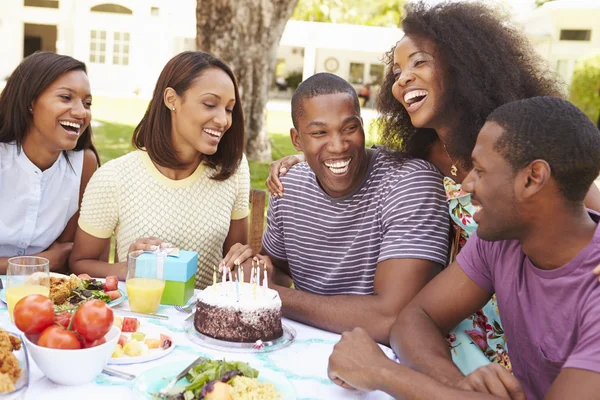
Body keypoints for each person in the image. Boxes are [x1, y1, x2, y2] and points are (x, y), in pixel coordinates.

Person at [266, 1, 600, 372]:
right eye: (397, 71)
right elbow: (354, 157)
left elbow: (581, 206)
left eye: (419, 62)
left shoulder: (519, 145)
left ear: (463, 66)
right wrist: (305, 158)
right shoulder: (421, 155)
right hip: (452, 324)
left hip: (538, 325)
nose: (402, 78)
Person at [328, 96, 600, 399]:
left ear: (532, 178)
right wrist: (456, 386)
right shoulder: (502, 242)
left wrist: (383, 373)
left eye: (481, 171)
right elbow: (416, 318)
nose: (467, 184)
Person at [237, 72, 450, 345]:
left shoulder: (408, 183)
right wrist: (253, 269)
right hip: (296, 349)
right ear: (297, 140)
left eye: (349, 128)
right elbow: (277, 268)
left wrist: (264, 293)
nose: (338, 146)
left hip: (378, 361)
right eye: (319, 133)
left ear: (362, 126)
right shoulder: (287, 185)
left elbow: (392, 318)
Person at [69, 51, 250, 288]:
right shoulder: (114, 177)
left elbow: (235, 262)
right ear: (171, 99)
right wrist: (129, 268)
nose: (223, 120)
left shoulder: (233, 169)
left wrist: (244, 260)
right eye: (210, 104)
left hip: (205, 317)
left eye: (228, 109)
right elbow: (81, 263)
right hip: (142, 317)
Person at [0, 51, 100, 274]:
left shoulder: (84, 165)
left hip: (42, 296)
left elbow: (65, 253)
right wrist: (35, 262)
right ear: (30, 102)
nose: (80, 112)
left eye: (87, 103)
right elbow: (51, 261)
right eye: (66, 98)